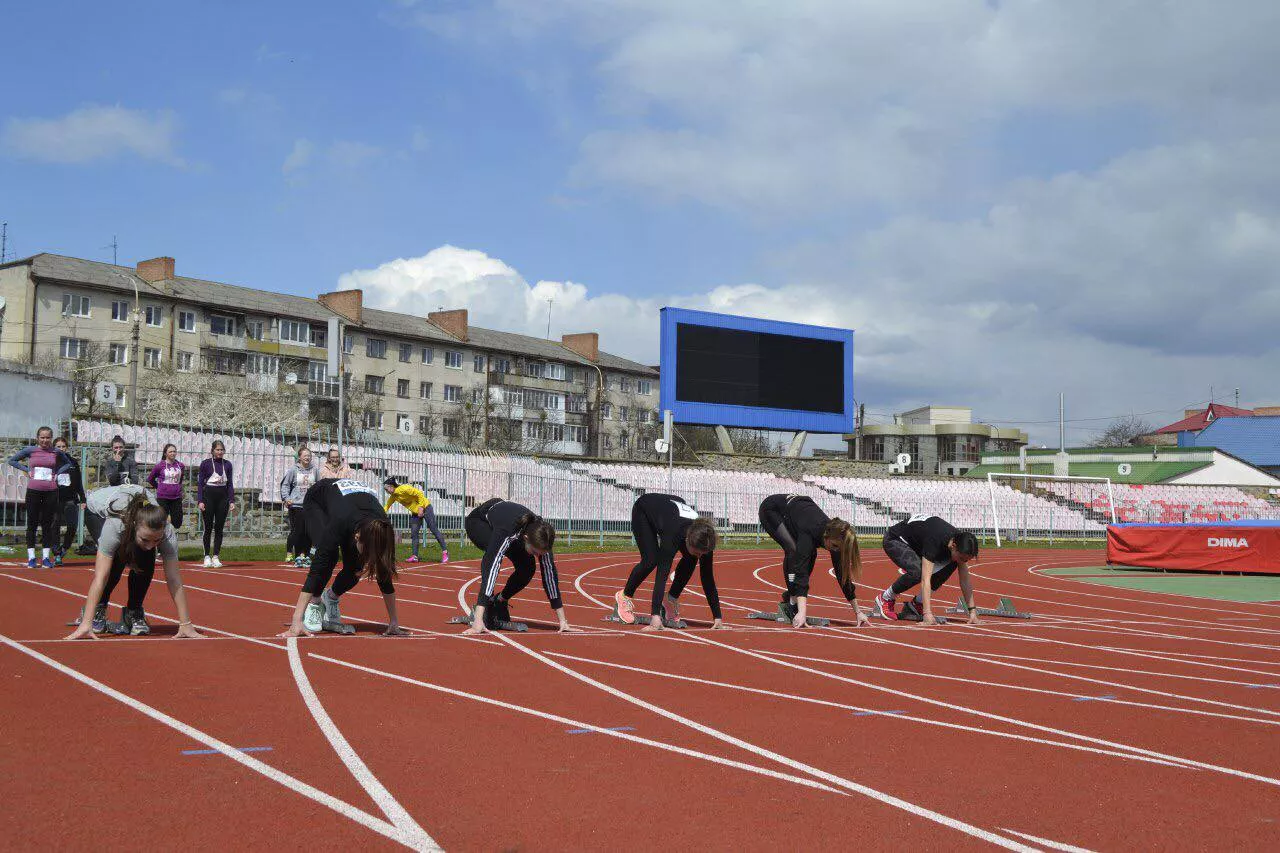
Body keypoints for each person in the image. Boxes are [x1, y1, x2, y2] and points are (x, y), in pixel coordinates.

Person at [66, 487, 204, 640]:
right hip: (97, 512)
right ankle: (97, 609)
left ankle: (134, 612)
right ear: (133, 526)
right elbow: (101, 576)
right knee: (115, 563)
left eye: (156, 540)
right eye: (145, 539)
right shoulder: (116, 525)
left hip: (135, 513)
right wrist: (86, 623)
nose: (151, 545)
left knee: (145, 558)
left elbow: (173, 578)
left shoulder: (167, 531)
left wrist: (185, 623)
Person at [278, 477, 405, 638]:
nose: (366, 556)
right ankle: (316, 603)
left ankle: (331, 597)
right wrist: (296, 621)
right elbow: (316, 570)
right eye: (365, 551)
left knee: (356, 568)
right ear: (357, 536)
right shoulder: (341, 521)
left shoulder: (382, 530)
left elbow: (384, 576)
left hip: (350, 506)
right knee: (328, 557)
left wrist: (394, 622)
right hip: (318, 501)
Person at [614, 493, 723, 631]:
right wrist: (655, 616)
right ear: (687, 540)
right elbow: (662, 575)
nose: (701, 556)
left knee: (691, 559)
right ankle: (624, 596)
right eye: (698, 552)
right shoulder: (673, 534)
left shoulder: (706, 539)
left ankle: (670, 599)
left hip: (671, 511)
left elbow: (707, 578)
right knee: (651, 560)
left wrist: (717, 617)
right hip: (645, 509)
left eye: (703, 553)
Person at [462, 498, 573, 634]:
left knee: (528, 567)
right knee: (495, 554)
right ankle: (484, 611)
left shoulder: (542, 534)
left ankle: (499, 600)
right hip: (479, 522)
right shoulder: (507, 530)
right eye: (534, 552)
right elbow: (490, 567)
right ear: (526, 538)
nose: (537, 555)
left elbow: (550, 577)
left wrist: (563, 621)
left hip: (509, 523)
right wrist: (478, 621)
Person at [758, 494, 869, 628]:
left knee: (810, 553)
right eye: (834, 546)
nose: (835, 550)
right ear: (826, 537)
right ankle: (792, 599)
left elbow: (842, 575)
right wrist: (802, 612)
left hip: (797, 512)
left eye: (838, 548)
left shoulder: (836, 540)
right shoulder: (810, 530)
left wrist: (858, 611)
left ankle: (791, 597)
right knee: (793, 550)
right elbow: (801, 570)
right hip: (772, 510)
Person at [872, 514, 981, 626]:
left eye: (967, 560)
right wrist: (927, 614)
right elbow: (925, 579)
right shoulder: (936, 540)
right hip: (895, 539)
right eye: (962, 558)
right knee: (917, 572)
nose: (963, 561)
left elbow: (965, 581)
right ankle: (885, 598)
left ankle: (916, 604)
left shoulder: (960, 545)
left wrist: (972, 611)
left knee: (952, 564)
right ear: (953, 546)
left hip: (918, 543)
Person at [9, 426, 75, 568]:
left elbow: (68, 464)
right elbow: (12, 461)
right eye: (42, 437)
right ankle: (31, 558)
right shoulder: (30, 451)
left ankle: (45, 558)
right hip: (33, 490)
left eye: (48, 437)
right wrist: (27, 470)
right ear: (37, 438)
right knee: (32, 524)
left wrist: (57, 473)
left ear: (51, 438)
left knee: (47, 524)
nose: (45, 440)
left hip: (51, 491)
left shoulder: (56, 451)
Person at [383, 477, 449, 564]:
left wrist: (421, 507)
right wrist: (380, 514)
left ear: (391, 486)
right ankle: (415, 556)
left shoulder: (404, 488)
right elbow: (387, 506)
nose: (386, 491)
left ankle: (445, 552)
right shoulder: (394, 496)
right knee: (414, 533)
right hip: (415, 512)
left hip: (425, 507)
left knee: (433, 529)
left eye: (386, 488)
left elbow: (419, 493)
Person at [197, 440, 235, 568]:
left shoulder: (228, 464)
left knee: (219, 528)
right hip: (209, 497)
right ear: (212, 451)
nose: (220, 452)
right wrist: (200, 500)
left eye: (222, 450)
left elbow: (230, 484)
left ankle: (216, 556)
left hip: (222, 498)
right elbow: (200, 484)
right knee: (208, 527)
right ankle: (207, 556)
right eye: (217, 450)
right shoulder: (205, 464)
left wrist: (231, 500)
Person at [280, 447, 321, 567]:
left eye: (309, 455)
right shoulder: (293, 470)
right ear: (299, 457)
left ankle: (307, 555)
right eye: (305, 455)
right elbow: (285, 485)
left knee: (309, 532)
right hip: (296, 505)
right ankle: (298, 555)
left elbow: (319, 485)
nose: (307, 457)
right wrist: (286, 498)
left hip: (310, 506)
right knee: (298, 531)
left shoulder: (315, 470)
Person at [52, 435, 87, 566]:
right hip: (55, 498)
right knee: (54, 525)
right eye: (58, 446)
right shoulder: (52, 462)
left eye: (63, 446)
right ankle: (55, 552)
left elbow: (78, 482)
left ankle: (64, 549)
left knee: (72, 526)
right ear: (54, 448)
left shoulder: (73, 462)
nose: (61, 449)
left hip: (71, 499)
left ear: (66, 448)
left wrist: (83, 498)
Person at [147, 443, 187, 529]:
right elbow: (150, 479)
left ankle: (172, 533)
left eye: (174, 451)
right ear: (165, 454)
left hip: (176, 497)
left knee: (177, 522)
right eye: (170, 452)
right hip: (163, 497)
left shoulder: (181, 466)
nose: (173, 453)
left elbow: (180, 479)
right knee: (162, 521)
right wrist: (159, 487)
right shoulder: (159, 466)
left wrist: (179, 489)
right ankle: (164, 539)